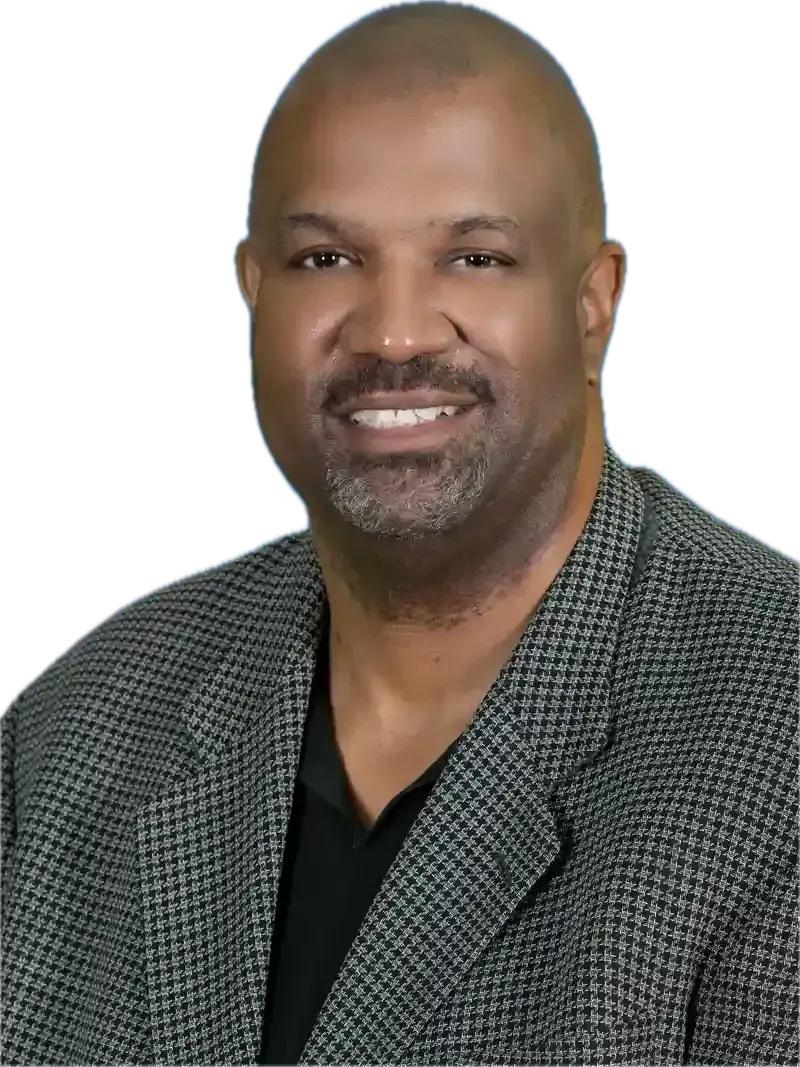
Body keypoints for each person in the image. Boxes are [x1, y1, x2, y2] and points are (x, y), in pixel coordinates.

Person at [1, 2, 797, 1065]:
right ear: (250, 292)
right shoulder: (75, 731)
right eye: (326, 259)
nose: (393, 331)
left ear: (594, 299)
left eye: (474, 257)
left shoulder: (774, 742)